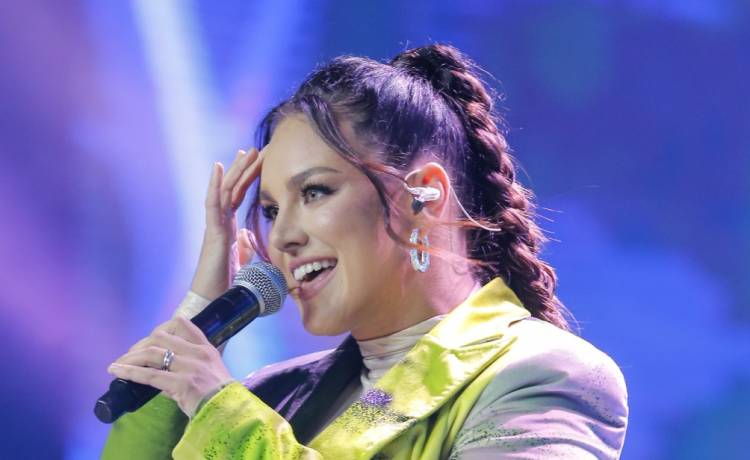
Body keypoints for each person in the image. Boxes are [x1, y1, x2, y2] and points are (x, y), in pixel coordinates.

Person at [102, 44, 628, 459]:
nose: (282, 237)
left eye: (315, 192)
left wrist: (223, 415)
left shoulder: (544, 375)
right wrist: (199, 318)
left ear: (424, 198)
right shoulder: (274, 394)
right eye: (270, 209)